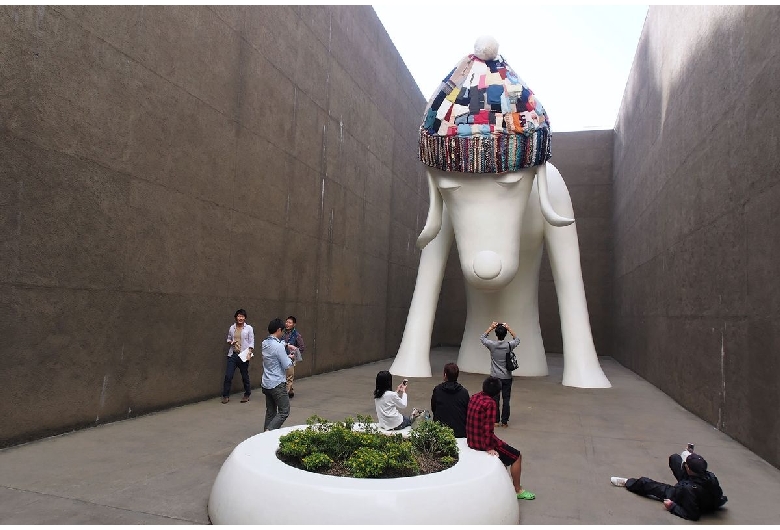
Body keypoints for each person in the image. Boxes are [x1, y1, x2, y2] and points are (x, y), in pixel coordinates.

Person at [466, 376, 535, 500]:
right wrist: (489, 447)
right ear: (498, 392)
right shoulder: (490, 403)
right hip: (483, 442)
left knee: (503, 457)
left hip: (471, 439)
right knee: (516, 456)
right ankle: (517, 490)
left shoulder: (474, 397)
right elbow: (488, 428)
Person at [611, 449, 728, 521]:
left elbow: (693, 515)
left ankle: (627, 483)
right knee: (675, 458)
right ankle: (686, 458)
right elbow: (718, 495)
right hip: (694, 487)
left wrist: (672, 506)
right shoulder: (710, 476)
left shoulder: (688, 490)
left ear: (688, 469)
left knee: (646, 483)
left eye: (686, 464)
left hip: (681, 494)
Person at [480, 321, 520, 427]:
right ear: (505, 334)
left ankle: (496, 420)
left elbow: (482, 338)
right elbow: (517, 339)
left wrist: (491, 327)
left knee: (494, 399)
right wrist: (508, 327)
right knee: (506, 399)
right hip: (507, 376)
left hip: (495, 377)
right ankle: (505, 421)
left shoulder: (492, 345)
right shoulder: (509, 345)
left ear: (496, 334)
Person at [260, 318, 296, 431]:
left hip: (266, 382)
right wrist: (290, 358)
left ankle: (264, 437)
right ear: (279, 330)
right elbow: (286, 365)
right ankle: (269, 431)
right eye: (282, 331)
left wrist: (286, 345)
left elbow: (277, 344)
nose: (283, 333)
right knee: (284, 411)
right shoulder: (278, 346)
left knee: (270, 412)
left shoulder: (265, 343)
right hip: (277, 384)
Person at [222, 309, 254, 404]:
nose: (240, 318)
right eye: (239, 316)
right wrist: (231, 342)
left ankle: (247, 394)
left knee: (244, 375)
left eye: (242, 316)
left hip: (243, 354)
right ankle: (225, 396)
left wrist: (249, 352)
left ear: (245, 318)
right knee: (228, 375)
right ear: (236, 317)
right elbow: (228, 338)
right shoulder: (232, 328)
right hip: (233, 354)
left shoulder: (248, 328)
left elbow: (251, 341)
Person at [430, 362, 470, 437]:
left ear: (445, 375)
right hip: (459, 431)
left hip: (440, 431)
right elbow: (467, 411)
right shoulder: (464, 392)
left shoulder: (438, 390)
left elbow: (433, 408)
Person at [280, 316, 305, 398]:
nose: (287, 324)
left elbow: (302, 347)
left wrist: (294, 354)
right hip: (282, 357)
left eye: (290, 322)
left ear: (294, 324)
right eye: (286, 322)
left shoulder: (297, 335)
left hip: (290, 359)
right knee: (283, 376)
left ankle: (285, 395)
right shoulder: (282, 333)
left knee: (289, 377)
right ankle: (290, 390)